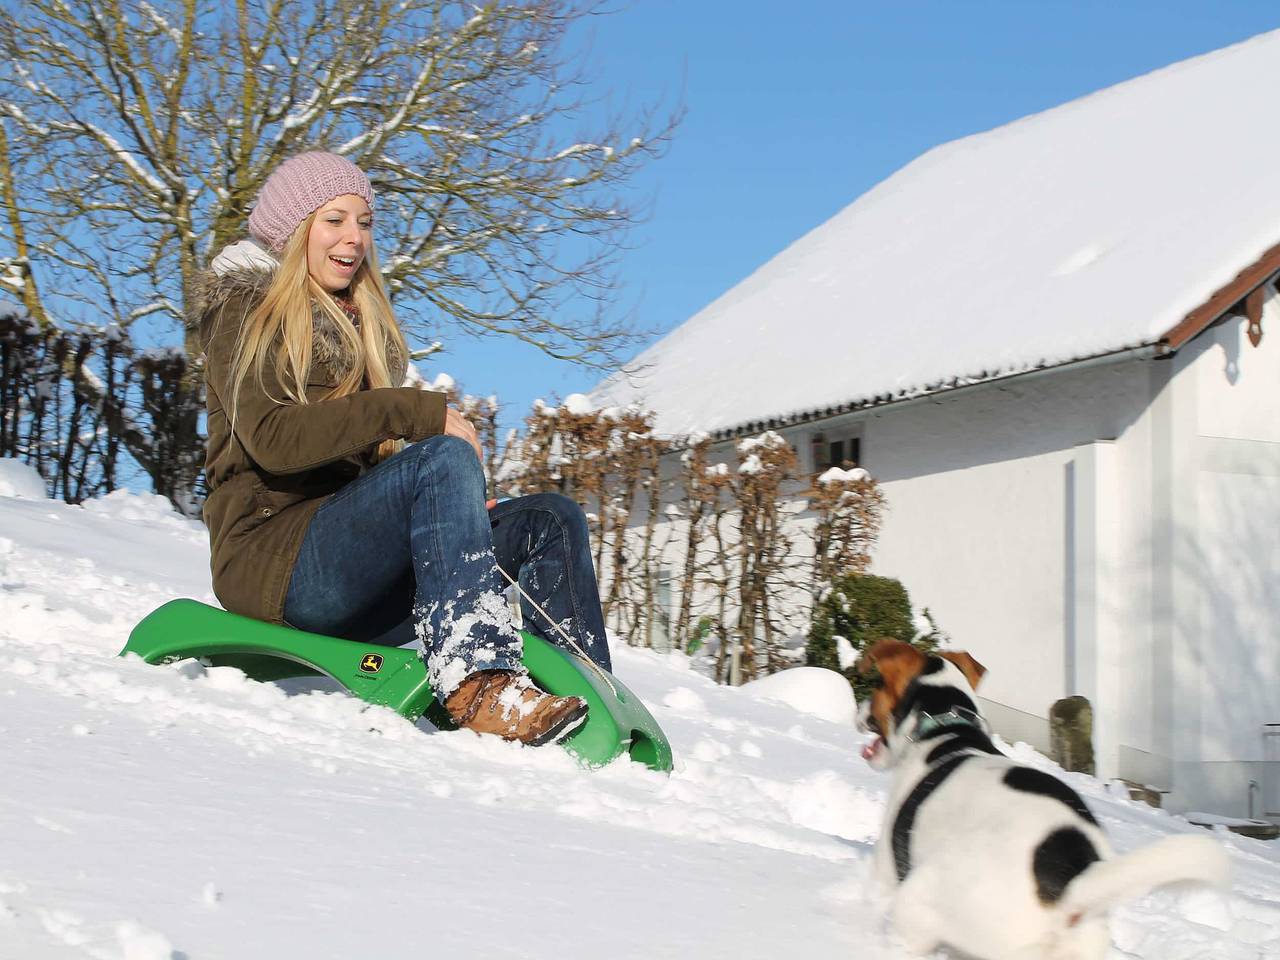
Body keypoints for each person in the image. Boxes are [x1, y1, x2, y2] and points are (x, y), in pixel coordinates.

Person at [196, 151, 612, 746]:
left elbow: (367, 471)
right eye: (334, 219)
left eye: (364, 222)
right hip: (275, 563)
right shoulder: (244, 307)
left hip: (347, 560)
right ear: (294, 230)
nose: (354, 238)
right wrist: (414, 411)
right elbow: (274, 440)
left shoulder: (360, 322)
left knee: (548, 519)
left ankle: (590, 693)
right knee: (440, 457)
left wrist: (454, 519)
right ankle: (479, 682)